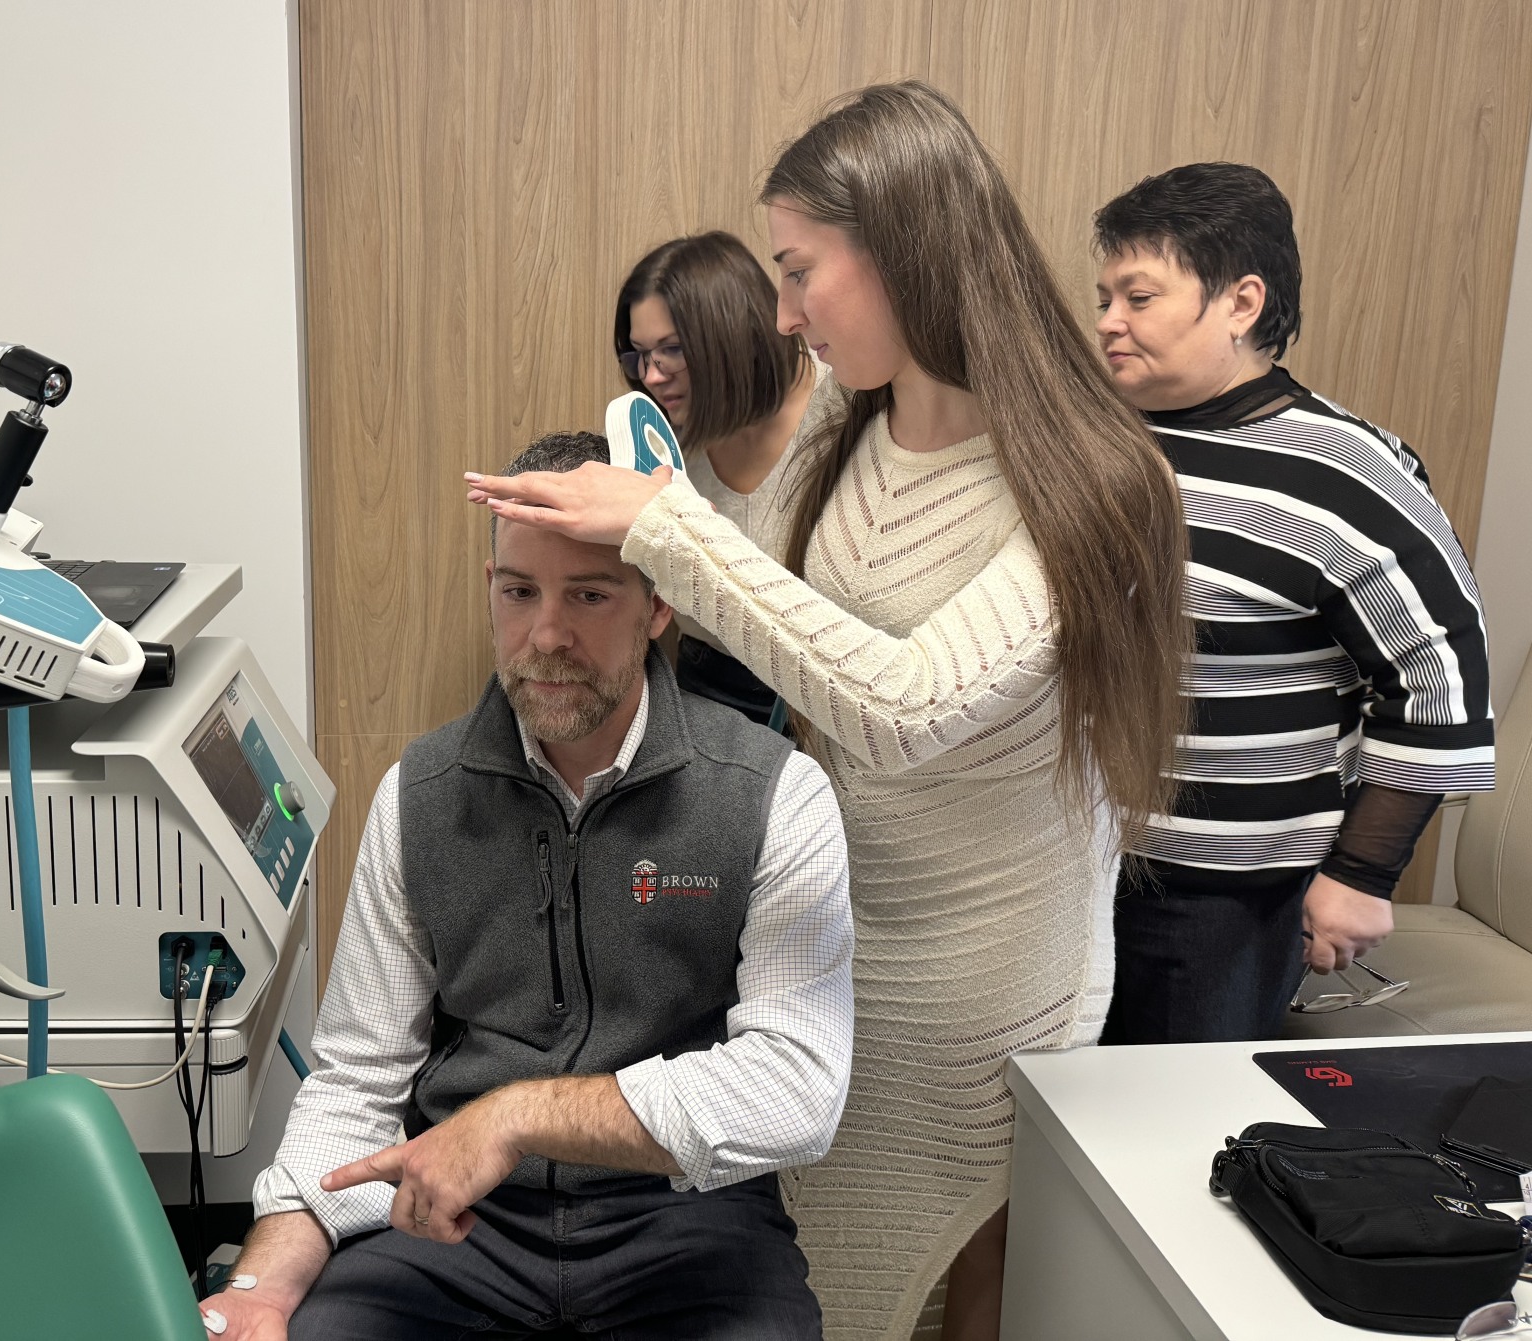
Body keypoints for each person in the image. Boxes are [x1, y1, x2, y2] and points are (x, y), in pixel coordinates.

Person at [467, 82, 1188, 1341]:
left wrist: (663, 528)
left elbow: (903, 707)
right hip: (840, 938)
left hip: (990, 979)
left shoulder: (1091, 480)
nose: (785, 315)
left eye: (799, 272)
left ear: (905, 247)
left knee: (953, 1280)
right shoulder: (845, 439)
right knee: (823, 1282)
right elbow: (797, 667)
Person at [201, 431, 855, 1340]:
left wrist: (516, 1116)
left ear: (659, 601)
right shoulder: (418, 796)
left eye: (589, 594)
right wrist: (263, 1284)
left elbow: (795, 1086)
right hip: (453, 1225)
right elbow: (358, 1077)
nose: (547, 634)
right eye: (520, 593)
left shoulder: (774, 793)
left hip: (684, 1222)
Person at [1090, 163, 1494, 1045]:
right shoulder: (1101, 443)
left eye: (1138, 296)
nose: (1108, 322)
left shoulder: (1348, 472)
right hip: (1073, 871)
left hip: (1223, 901)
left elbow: (1439, 678)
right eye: (1104, 297)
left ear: (1240, 302)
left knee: (1168, 1139)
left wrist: (1364, 873)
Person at [615, 231, 823, 725]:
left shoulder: (841, 409)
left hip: (825, 690)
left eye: (671, 350)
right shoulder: (662, 441)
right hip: (708, 683)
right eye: (639, 354)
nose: (650, 375)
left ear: (729, 336)